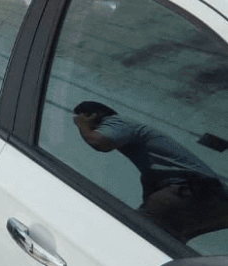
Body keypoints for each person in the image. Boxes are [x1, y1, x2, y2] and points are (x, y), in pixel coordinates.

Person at [73, 101, 228, 243]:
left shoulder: (115, 121)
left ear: (94, 114)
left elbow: (100, 142)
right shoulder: (150, 164)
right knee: (166, 242)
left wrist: (82, 125)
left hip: (193, 189)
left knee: (131, 233)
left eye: (80, 117)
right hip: (216, 198)